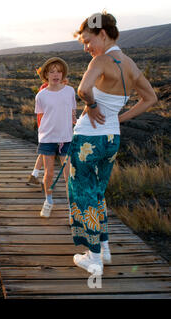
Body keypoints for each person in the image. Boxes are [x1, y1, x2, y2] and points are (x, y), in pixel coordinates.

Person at [69, 11, 157, 274]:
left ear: (103, 34)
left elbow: (83, 89)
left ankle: (93, 258)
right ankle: (104, 249)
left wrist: (92, 104)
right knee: (97, 193)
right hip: (110, 139)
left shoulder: (101, 60)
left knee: (83, 195)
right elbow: (150, 98)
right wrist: (120, 119)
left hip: (88, 137)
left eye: (87, 40)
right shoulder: (129, 64)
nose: (86, 47)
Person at [34, 57, 77, 217]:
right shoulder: (41, 96)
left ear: (63, 73)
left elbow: (73, 111)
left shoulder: (70, 91)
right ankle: (49, 199)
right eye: (52, 71)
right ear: (46, 74)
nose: (56, 74)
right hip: (47, 140)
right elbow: (41, 117)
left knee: (68, 175)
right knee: (49, 173)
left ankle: (72, 206)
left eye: (59, 71)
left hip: (66, 138)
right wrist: (43, 134)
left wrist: (75, 121)